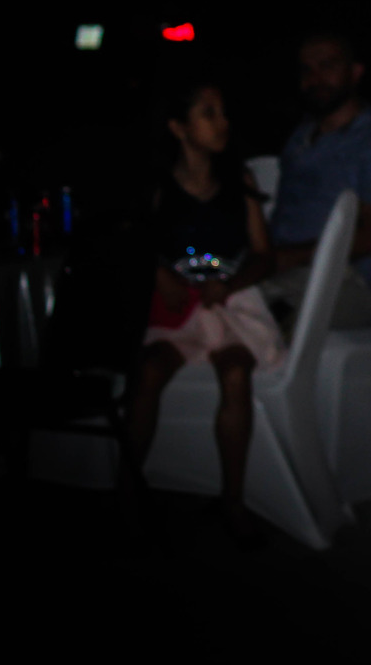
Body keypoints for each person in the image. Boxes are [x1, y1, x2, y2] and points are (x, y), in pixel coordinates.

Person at [125, 79, 280, 546]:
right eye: (208, 114)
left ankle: (233, 499)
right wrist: (159, 274)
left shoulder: (240, 183)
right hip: (178, 309)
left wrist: (230, 283)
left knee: (235, 372)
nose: (222, 123)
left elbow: (263, 255)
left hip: (229, 302)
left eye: (223, 112)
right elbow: (131, 245)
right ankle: (129, 491)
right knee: (149, 371)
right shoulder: (158, 188)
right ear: (179, 127)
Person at [260, 31, 371, 332]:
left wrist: (289, 257)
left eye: (327, 66)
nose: (315, 78)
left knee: (260, 325)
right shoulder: (301, 138)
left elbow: (370, 238)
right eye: (307, 70)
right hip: (281, 276)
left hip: (343, 280)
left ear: (355, 72)